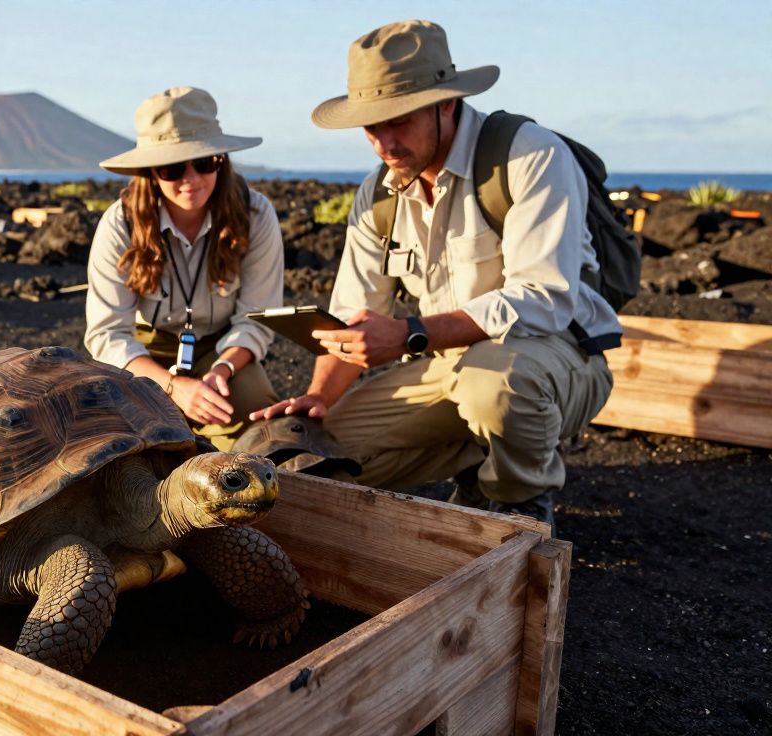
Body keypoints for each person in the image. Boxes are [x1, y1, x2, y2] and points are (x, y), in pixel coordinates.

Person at [252, 20, 620, 533]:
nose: (382, 142)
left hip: (558, 359)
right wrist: (319, 399)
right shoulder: (379, 193)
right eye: (370, 125)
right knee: (318, 460)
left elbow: (545, 298)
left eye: (397, 120)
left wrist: (408, 334)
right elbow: (353, 312)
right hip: (446, 367)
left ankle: (522, 504)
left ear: (445, 103)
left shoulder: (530, 155)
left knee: (493, 384)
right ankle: (479, 462)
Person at [85, 87, 285, 450]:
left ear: (220, 161)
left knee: (257, 428)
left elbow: (255, 319)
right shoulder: (120, 224)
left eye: (205, 162)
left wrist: (222, 371)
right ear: (150, 172)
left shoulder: (255, 215)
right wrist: (173, 387)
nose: (191, 178)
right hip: (145, 351)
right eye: (173, 167)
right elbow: (108, 334)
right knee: (116, 445)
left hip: (221, 350)